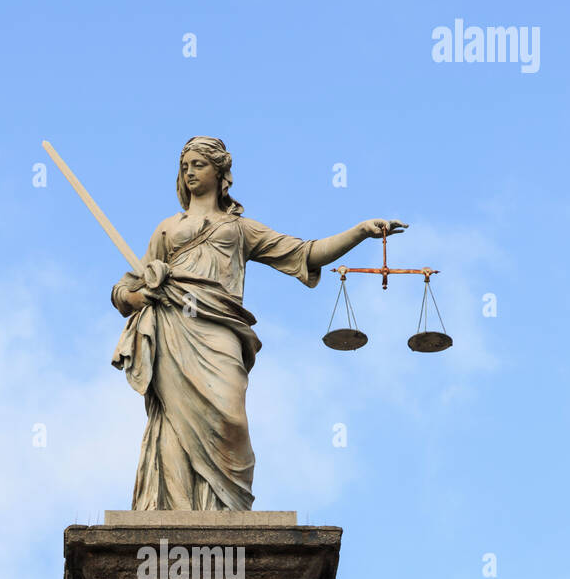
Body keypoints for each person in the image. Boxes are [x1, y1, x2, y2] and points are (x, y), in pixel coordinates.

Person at [111, 135, 406, 510]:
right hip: (173, 328)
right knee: (172, 418)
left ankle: (225, 508)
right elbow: (125, 289)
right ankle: (177, 509)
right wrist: (138, 297)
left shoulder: (240, 229)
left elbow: (305, 252)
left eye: (198, 165)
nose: (189, 172)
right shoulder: (168, 228)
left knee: (230, 419)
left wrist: (360, 232)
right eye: (185, 166)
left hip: (219, 333)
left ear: (221, 173)